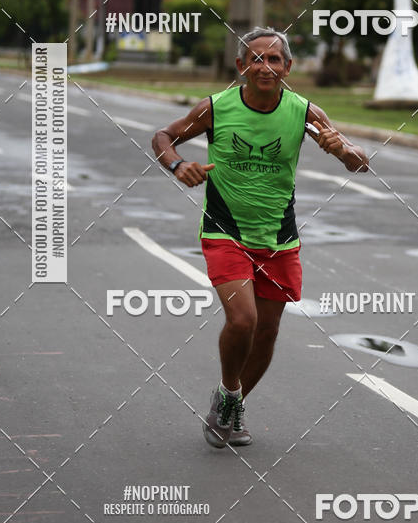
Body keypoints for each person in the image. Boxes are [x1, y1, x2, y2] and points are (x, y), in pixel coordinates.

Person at [152, 27, 369, 449]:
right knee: (244, 320)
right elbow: (163, 137)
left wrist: (341, 150)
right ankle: (230, 392)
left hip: (279, 237)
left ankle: (229, 402)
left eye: (274, 60)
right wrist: (178, 166)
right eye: (256, 59)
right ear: (241, 67)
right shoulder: (216, 108)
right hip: (225, 229)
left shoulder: (305, 111)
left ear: (288, 68)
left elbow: (361, 164)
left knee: (266, 333)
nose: (264, 67)